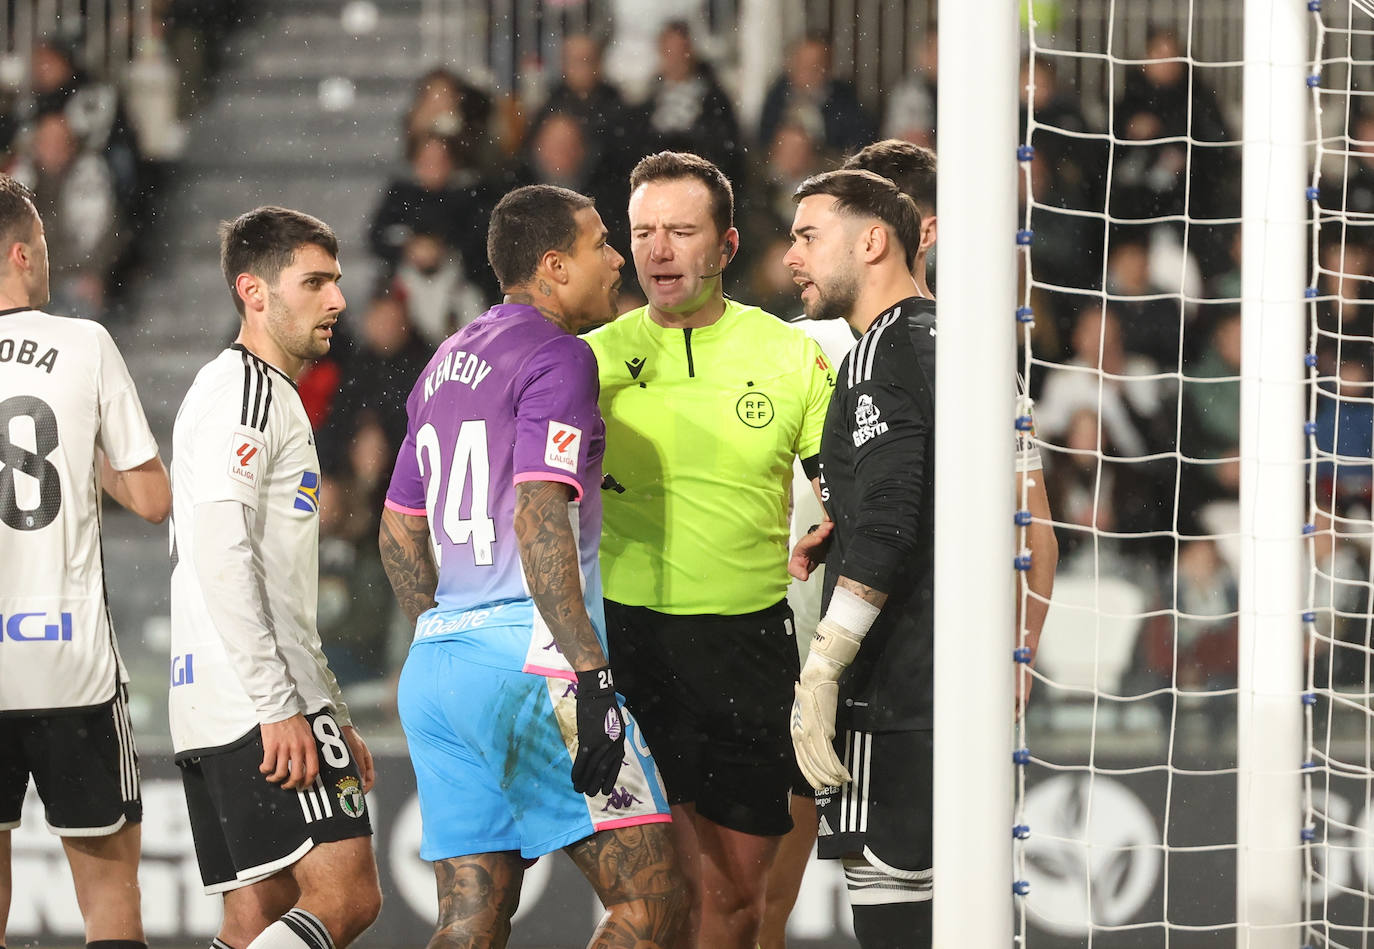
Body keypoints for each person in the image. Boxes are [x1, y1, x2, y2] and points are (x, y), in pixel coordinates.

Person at [378, 184, 685, 949]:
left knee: (470, 919)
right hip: (532, 660)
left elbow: (397, 526)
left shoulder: (445, 360)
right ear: (553, 265)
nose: (620, 259)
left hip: (441, 663)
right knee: (650, 903)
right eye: (601, 244)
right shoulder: (560, 356)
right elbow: (540, 511)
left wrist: (440, 629)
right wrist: (590, 673)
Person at [586, 151, 835, 948]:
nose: (658, 249)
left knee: (737, 901)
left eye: (681, 231)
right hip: (630, 646)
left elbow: (848, 490)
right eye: (644, 232)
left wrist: (843, 521)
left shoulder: (790, 355)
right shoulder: (586, 362)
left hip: (749, 645)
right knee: (657, 901)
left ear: (726, 246)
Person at [169, 206, 382, 949]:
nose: (338, 300)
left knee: (256, 915)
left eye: (337, 281)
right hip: (254, 697)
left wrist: (334, 710)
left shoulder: (237, 391)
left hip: (209, 696)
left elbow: (277, 586)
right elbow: (221, 550)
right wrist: (281, 701)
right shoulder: (249, 392)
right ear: (254, 292)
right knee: (347, 894)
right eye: (315, 282)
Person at [0, 174, 169, 949]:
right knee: (108, 904)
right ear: (21, 254)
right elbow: (152, 498)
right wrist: (85, 459)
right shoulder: (84, 342)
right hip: (69, 661)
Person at [781, 168, 939, 948]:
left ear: (873, 240)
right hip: (959, 693)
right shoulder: (966, 344)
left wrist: (825, 665)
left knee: (897, 925)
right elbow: (1018, 521)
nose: (791, 258)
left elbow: (891, 520)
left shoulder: (876, 352)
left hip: (898, 693)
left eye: (808, 236)